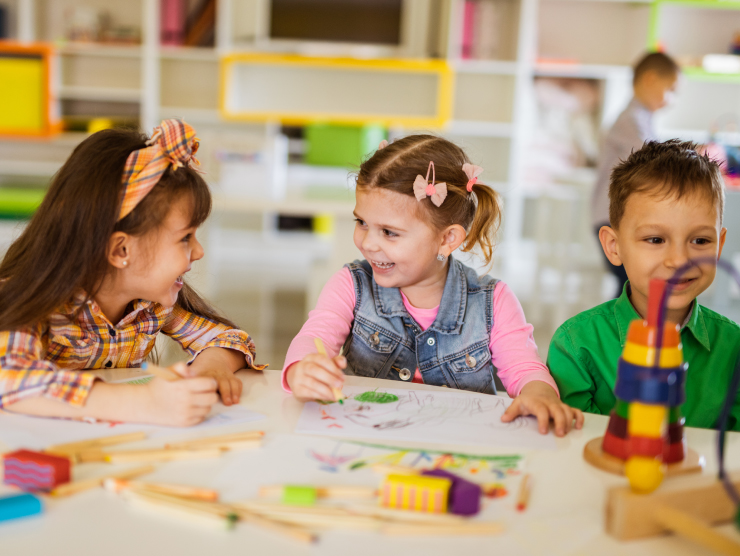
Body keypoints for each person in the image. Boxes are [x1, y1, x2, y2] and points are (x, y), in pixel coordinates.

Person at [283, 135, 583, 437]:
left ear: (447, 238)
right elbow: (314, 336)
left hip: (458, 450)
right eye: (361, 223)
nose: (368, 243)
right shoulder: (350, 284)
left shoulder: (494, 302)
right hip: (367, 441)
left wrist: (540, 394)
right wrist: (302, 369)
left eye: (389, 232)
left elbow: (525, 370)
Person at [0, 119, 264, 426]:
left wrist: (212, 367)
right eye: (185, 238)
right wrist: (145, 404)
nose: (199, 251)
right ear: (121, 251)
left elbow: (229, 338)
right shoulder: (31, 300)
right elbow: (8, 377)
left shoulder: (150, 306)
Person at [548, 140, 740, 431]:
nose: (679, 260)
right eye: (655, 240)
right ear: (614, 246)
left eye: (700, 241)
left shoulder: (734, 347)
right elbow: (572, 445)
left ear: (719, 245)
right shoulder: (576, 346)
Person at [592, 52, 680, 297]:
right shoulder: (630, 120)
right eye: (671, 89)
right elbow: (655, 158)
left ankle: (629, 332)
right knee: (634, 287)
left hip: (618, 217)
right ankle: (622, 334)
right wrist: (693, 153)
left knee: (632, 287)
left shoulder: (641, 119)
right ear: (650, 79)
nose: (672, 99)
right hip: (613, 218)